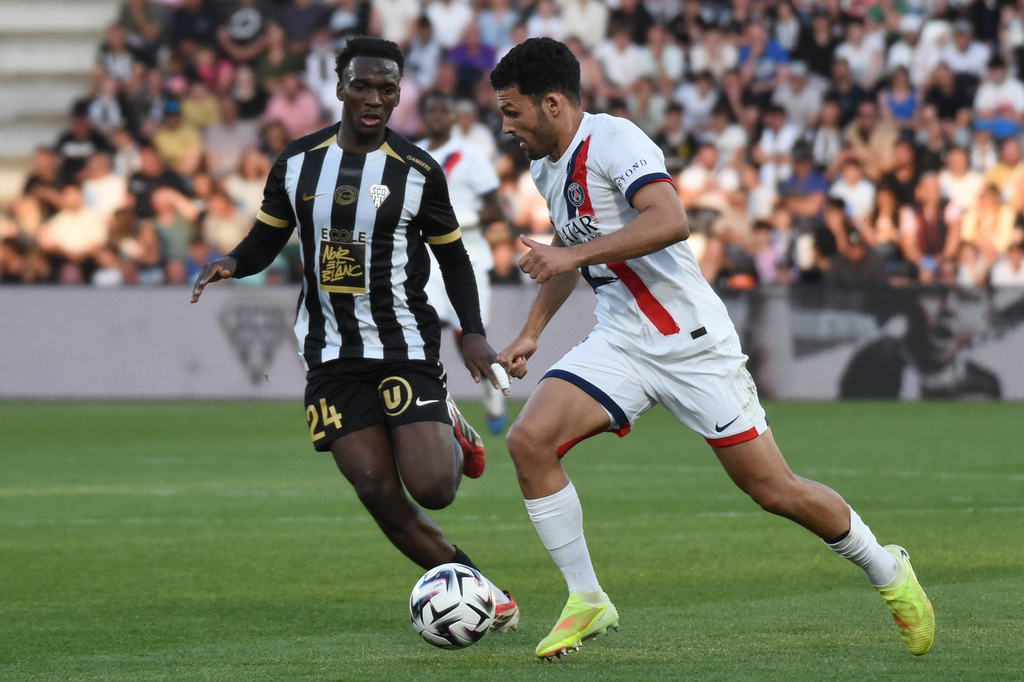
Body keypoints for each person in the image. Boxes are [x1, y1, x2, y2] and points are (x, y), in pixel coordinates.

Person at [488, 37, 934, 661]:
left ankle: (888, 570)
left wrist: (573, 253)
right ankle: (586, 599)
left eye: (512, 112)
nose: (506, 126)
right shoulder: (546, 166)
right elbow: (569, 247)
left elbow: (670, 219)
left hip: (692, 345)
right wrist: (533, 330)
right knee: (528, 441)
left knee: (774, 490)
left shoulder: (615, 141)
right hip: (621, 339)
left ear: (553, 103)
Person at [190, 36, 519, 632]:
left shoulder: (418, 171)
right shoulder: (295, 162)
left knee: (435, 488)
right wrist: (233, 262)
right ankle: (487, 596)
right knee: (377, 492)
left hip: (403, 345)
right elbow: (267, 238)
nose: (374, 98)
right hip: (330, 352)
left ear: (399, 94)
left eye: (386, 88)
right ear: (340, 87)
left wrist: (472, 332)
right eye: (362, 85)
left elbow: (454, 259)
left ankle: (448, 423)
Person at [417, 91, 509, 434]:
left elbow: (497, 208)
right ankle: (430, 402)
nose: (438, 116)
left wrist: (462, 219)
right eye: (431, 110)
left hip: (467, 256)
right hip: (426, 259)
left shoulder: (470, 155)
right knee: (425, 328)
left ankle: (490, 387)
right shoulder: (414, 154)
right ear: (423, 117)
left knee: (466, 334)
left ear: (454, 117)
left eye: (444, 109)